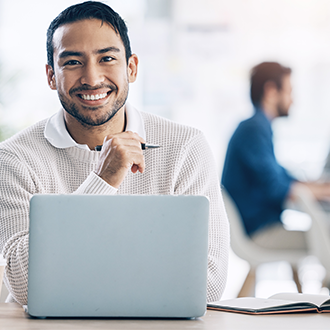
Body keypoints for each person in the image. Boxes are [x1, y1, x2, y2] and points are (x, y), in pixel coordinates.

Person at [0, 1, 229, 305]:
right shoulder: (14, 158)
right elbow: (26, 284)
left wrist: (68, 272)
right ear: (51, 75)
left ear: (131, 68)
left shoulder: (185, 147)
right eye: (72, 62)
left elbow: (208, 282)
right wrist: (103, 178)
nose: (92, 78)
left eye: (106, 58)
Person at [222, 61, 330, 249]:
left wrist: (318, 186)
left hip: (260, 226)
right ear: (271, 91)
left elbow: (280, 176)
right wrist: (321, 191)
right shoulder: (253, 129)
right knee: (325, 236)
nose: (293, 100)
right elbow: (276, 187)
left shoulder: (257, 126)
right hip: (259, 232)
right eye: (289, 91)